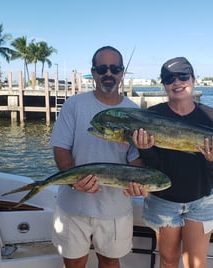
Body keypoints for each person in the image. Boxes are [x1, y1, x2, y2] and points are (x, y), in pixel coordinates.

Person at [50, 46, 144, 268]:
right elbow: (60, 148)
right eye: (102, 68)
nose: (108, 74)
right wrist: (75, 181)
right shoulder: (74, 105)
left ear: (122, 73)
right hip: (73, 205)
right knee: (74, 262)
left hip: (115, 207)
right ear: (93, 72)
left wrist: (138, 182)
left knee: (110, 261)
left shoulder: (135, 112)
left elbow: (136, 161)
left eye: (114, 68)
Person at [132, 56, 213, 268]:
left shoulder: (210, 116)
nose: (177, 82)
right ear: (163, 85)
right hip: (163, 200)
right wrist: (146, 151)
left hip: (201, 199)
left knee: (196, 264)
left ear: (193, 79)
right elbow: (154, 169)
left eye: (183, 76)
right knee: (168, 260)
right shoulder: (151, 116)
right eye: (168, 79)